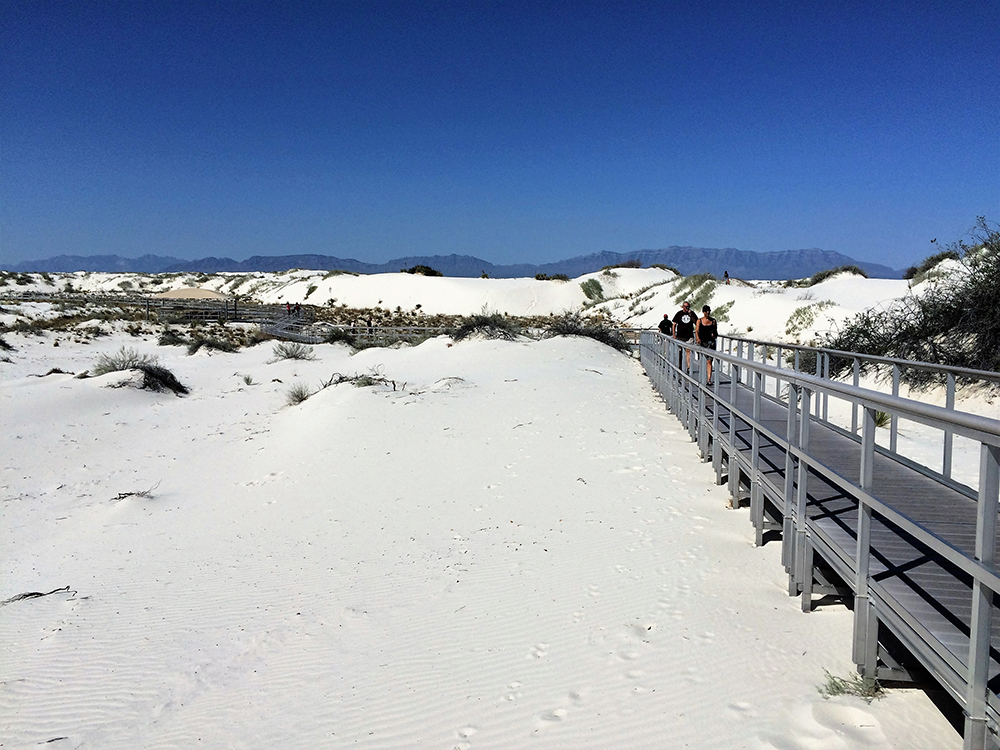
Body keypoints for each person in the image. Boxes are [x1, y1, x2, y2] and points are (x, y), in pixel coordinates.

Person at [696, 304, 718, 384]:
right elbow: (697, 331)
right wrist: (697, 338)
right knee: (702, 361)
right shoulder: (699, 321)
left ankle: (709, 379)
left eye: (709, 312)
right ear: (703, 312)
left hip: (711, 343)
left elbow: (716, 332)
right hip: (702, 342)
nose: (708, 313)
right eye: (706, 312)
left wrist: (714, 335)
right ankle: (702, 377)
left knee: (709, 361)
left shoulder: (713, 321)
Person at [672, 301, 698, 369]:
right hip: (680, 336)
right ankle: (680, 365)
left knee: (688, 351)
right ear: (683, 307)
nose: (687, 308)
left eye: (688, 307)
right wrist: (674, 334)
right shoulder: (679, 314)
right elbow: (674, 324)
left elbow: (696, 322)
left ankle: (689, 367)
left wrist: (691, 315)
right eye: (686, 307)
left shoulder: (691, 313)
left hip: (689, 336)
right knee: (680, 352)